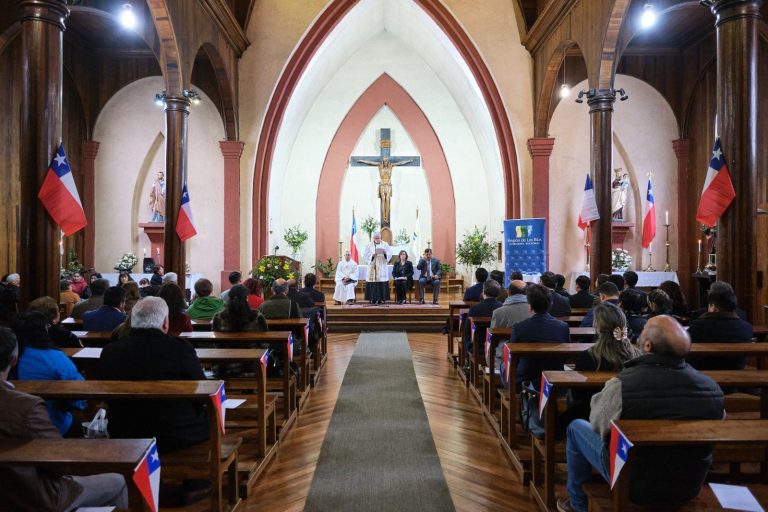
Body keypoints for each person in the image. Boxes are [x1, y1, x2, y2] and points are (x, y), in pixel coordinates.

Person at [557, 316, 724, 512]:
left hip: (634, 484)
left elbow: (598, 425)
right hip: (688, 485)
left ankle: (578, 505)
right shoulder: (712, 389)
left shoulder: (622, 385)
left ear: (647, 346)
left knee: (576, 427)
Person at [0, 327, 128, 511]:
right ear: (14, 359)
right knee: (118, 481)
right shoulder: (26, 407)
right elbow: (58, 461)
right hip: (28, 495)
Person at [96, 297, 209, 454]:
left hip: (125, 431)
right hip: (176, 431)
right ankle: (197, 478)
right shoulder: (181, 350)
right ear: (165, 323)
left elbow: (104, 392)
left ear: (133, 321)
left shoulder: (110, 351)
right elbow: (201, 390)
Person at [559, 304, 641, 427]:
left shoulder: (589, 356)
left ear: (597, 327)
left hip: (591, 412)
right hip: (627, 411)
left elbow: (577, 392)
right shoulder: (637, 354)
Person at [11, 312, 86, 437]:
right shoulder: (54, 357)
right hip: (53, 423)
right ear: (44, 331)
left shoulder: (10, 356)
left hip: (11, 426)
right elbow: (78, 393)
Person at [501, 284, 571, 389]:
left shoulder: (520, 328)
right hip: (554, 378)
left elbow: (512, 356)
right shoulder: (563, 327)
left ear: (530, 306)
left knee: (503, 365)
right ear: (550, 303)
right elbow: (565, 355)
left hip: (525, 379)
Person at [687, 281, 753, 371]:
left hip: (703, 371)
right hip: (735, 370)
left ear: (714, 307)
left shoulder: (698, 326)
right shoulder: (747, 328)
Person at [489, 280, 531, 370]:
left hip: (506, 357)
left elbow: (493, 338)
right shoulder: (534, 310)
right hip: (530, 356)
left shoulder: (498, 312)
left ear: (509, 292)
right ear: (526, 293)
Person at [462, 280, 503, 362]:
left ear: (483, 292)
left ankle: (466, 363)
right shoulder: (502, 307)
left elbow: (467, 329)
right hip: (497, 346)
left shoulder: (475, 308)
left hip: (478, 346)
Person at [363, 231, 392, 304]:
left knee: (380, 282)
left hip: (382, 266)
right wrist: (371, 256)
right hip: (373, 266)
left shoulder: (385, 244)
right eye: (375, 238)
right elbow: (365, 255)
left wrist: (385, 253)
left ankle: (381, 299)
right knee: (373, 282)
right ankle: (372, 299)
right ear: (373, 238)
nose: (377, 239)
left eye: (378, 238)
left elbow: (389, 253)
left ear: (380, 237)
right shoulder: (369, 245)